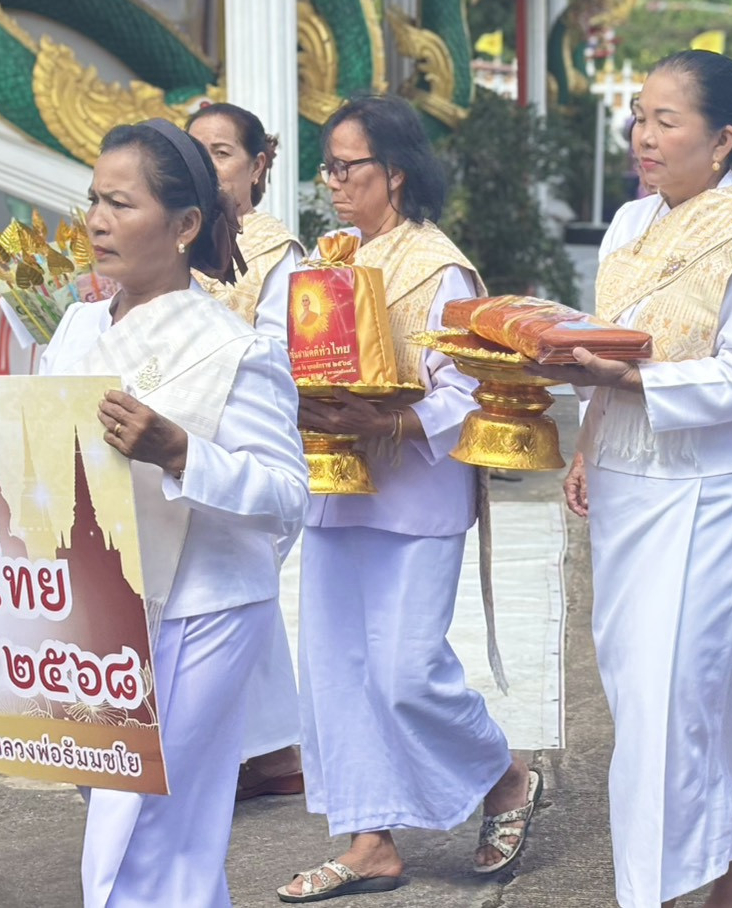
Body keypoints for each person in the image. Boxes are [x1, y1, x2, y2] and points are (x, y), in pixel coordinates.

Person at [550, 49, 732, 908]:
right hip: (630, 474)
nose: (643, 137)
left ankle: (651, 891)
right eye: (639, 118)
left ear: (723, 139)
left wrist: (634, 383)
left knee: (677, 697)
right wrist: (590, 434)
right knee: (647, 691)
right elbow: (606, 339)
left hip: (718, 489)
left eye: (666, 121)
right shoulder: (627, 224)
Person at [39, 120, 310, 907]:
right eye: (93, 200)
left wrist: (182, 452)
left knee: (150, 829)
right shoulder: (77, 325)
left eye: (120, 204)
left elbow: (286, 491)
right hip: (98, 604)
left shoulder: (234, 349)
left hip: (203, 607)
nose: (95, 220)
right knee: (144, 825)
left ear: (185, 225)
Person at [279, 95, 539, 903]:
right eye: (326, 168)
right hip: (337, 487)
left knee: (404, 671)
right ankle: (369, 841)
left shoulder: (440, 267)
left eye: (345, 167)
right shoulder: (329, 257)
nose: (331, 183)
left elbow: (470, 389)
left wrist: (393, 415)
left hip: (415, 492)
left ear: (393, 172)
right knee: (337, 671)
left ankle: (503, 777)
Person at [186, 103, 307, 802]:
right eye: (194, 151)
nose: (207, 165)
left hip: (237, 443)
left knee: (226, 589)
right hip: (170, 441)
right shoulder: (169, 238)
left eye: (224, 153)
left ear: (259, 166)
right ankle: (266, 752)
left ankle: (237, 752)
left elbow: (283, 356)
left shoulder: (276, 253)